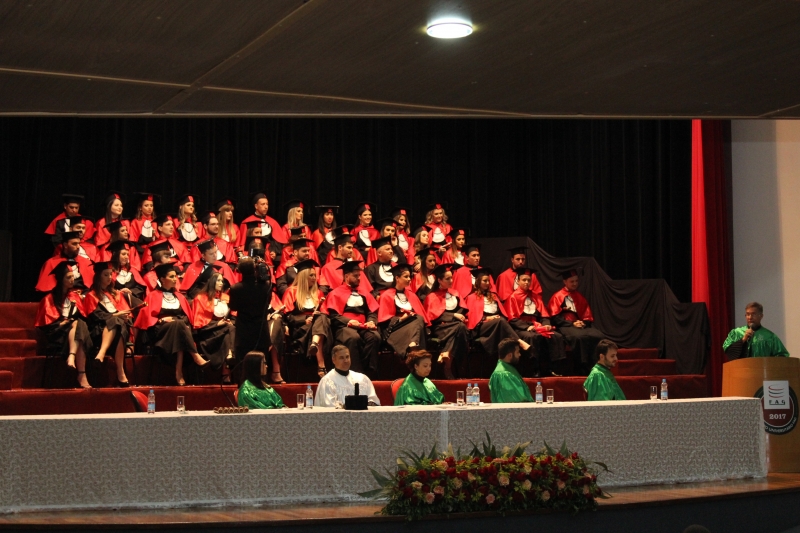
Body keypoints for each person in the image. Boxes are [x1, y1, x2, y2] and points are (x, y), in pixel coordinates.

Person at [133, 263, 208, 386]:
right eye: (171, 277)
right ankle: (195, 356)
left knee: (178, 326)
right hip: (160, 332)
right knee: (178, 326)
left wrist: (178, 321)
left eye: (175, 276)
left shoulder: (180, 297)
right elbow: (146, 318)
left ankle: (178, 371)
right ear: (162, 279)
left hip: (178, 329)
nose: (175, 279)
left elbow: (187, 317)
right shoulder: (152, 296)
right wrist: (162, 320)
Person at [34, 261, 93, 389]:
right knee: (79, 327)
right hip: (59, 335)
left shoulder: (75, 296)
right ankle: (81, 374)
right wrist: (63, 323)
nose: (72, 280)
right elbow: (46, 326)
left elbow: (84, 316)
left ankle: (72, 357)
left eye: (73, 277)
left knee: (79, 324)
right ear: (61, 279)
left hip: (75, 334)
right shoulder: (49, 299)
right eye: (68, 277)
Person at [228, 256, 285, 383]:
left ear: (240, 271)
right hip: (261, 330)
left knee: (243, 362)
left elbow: (233, 307)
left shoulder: (235, 288)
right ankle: (261, 386)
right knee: (261, 362)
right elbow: (267, 303)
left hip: (244, 330)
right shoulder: (266, 286)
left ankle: (243, 387)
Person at [320, 261, 381, 377]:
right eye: (355, 276)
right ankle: (354, 372)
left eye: (359, 275)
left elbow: (371, 312)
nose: (359, 278)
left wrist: (371, 321)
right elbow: (334, 316)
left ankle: (368, 372)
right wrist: (348, 321)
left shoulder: (364, 293)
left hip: (363, 325)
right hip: (344, 327)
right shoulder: (335, 293)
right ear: (347, 276)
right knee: (353, 337)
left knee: (374, 337)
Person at [506, 267, 567, 376]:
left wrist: (546, 324)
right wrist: (527, 327)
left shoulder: (535, 296)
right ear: (518, 281)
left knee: (555, 336)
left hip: (537, 326)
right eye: (524, 280)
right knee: (533, 337)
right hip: (521, 327)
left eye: (529, 280)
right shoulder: (513, 297)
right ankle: (534, 368)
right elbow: (512, 319)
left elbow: (544, 315)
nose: (526, 282)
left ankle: (550, 368)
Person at [84, 261, 134, 387]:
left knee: (120, 324)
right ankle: (120, 372)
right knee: (116, 322)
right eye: (105, 275)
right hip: (99, 331)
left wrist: (125, 317)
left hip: (120, 329)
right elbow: (95, 316)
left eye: (110, 274)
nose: (109, 277)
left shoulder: (116, 294)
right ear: (98, 277)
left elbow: (127, 314)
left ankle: (101, 354)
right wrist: (116, 315)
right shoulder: (91, 295)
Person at [548, 269, 605, 374]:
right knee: (579, 337)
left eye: (576, 281)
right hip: (565, 325)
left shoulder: (579, 296)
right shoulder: (557, 296)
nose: (575, 284)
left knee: (598, 335)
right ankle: (582, 367)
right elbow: (555, 318)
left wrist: (584, 322)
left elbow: (587, 315)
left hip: (580, 325)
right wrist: (572, 323)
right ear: (565, 282)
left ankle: (597, 364)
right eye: (572, 281)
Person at [464, 268, 531, 357]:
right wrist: (487, 318)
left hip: (496, 323)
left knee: (502, 320)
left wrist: (496, 317)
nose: (488, 283)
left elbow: (503, 313)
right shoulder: (471, 297)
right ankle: (519, 342)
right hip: (481, 326)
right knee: (501, 321)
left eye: (488, 281)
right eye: (485, 281)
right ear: (478, 282)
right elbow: (472, 317)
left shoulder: (494, 296)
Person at [281, 259, 331, 378]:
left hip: (317, 326)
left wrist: (314, 318)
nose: (314, 278)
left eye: (315, 275)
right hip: (300, 329)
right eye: (311, 275)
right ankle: (321, 365)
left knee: (321, 317)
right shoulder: (291, 292)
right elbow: (287, 317)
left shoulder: (318, 293)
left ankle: (315, 343)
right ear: (303, 277)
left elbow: (325, 314)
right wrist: (304, 320)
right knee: (319, 326)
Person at [423, 264, 470, 380]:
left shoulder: (455, 293)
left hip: (455, 326)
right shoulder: (432, 296)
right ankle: (455, 367)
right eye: (447, 279)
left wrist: (459, 315)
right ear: (439, 280)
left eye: (451, 278)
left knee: (460, 328)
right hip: (441, 328)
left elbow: (463, 308)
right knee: (460, 328)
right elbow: (433, 316)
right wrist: (453, 315)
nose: (451, 281)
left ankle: (446, 355)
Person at [191, 272, 235, 381]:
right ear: (211, 281)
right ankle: (229, 359)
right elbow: (199, 324)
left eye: (222, 281)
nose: (221, 283)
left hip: (223, 331)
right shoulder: (200, 298)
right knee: (229, 329)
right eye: (218, 280)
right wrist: (216, 324)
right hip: (207, 334)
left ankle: (226, 369)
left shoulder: (225, 298)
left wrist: (227, 321)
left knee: (230, 329)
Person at [378, 263, 428, 357]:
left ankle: (413, 346)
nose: (409, 279)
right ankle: (417, 352)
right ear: (397, 278)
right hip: (396, 329)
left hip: (412, 327)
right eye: (406, 277)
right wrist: (401, 319)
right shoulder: (386, 295)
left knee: (418, 319)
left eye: (410, 276)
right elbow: (384, 323)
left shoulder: (412, 295)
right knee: (418, 319)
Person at [315, 344, 380, 407]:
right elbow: (329, 407)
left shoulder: (362, 379)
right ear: (333, 360)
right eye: (341, 358)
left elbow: (373, 400)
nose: (345, 361)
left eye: (347, 357)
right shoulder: (328, 381)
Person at [723, 302, 789, 359]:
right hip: (740, 369)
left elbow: (782, 356)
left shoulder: (769, 336)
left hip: (761, 369)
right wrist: (743, 340)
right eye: (748, 314)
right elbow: (728, 351)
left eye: (753, 314)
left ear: (761, 316)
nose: (750, 317)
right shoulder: (736, 333)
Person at [489, 338, 535, 403]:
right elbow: (516, 401)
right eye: (517, 352)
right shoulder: (504, 374)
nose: (520, 354)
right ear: (510, 355)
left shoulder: (507, 368)